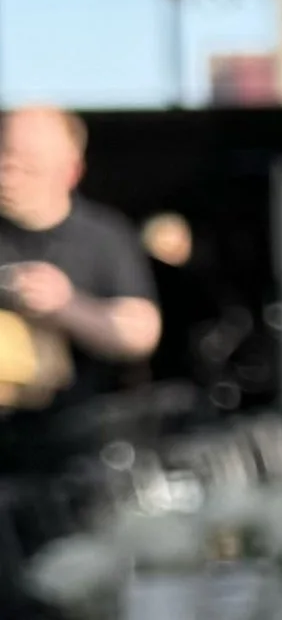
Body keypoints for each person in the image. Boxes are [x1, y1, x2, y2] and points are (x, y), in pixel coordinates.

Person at [0, 106, 160, 451]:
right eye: (3, 159)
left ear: (70, 173)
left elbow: (142, 332)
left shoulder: (104, 236)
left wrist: (66, 306)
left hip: (82, 439)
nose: (7, 177)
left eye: (26, 167)